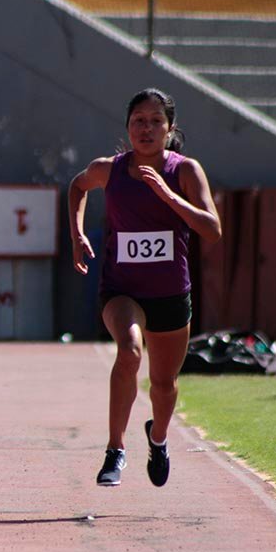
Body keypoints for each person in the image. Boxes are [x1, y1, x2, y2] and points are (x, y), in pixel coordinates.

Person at [68, 88, 221, 488]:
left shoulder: (185, 170)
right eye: (139, 120)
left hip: (170, 292)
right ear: (127, 126)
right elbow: (77, 187)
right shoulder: (110, 169)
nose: (147, 128)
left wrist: (169, 196)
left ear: (170, 129)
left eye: (156, 121)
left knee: (164, 384)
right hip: (122, 289)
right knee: (129, 349)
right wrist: (77, 233)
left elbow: (212, 229)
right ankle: (115, 449)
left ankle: (158, 438)